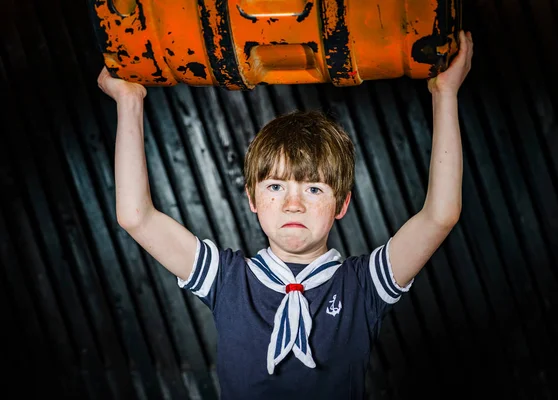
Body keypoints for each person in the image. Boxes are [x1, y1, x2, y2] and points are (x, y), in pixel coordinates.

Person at [98, 29, 474, 400]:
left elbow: (439, 216)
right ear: (253, 199)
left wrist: (445, 94)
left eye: (313, 189)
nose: (294, 204)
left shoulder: (363, 287)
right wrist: (128, 102)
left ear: (342, 204)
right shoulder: (227, 280)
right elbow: (136, 217)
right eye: (276, 187)